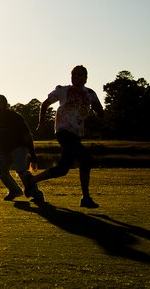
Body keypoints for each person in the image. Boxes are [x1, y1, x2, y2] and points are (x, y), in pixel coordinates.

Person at [31, 65, 104, 208]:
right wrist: (42, 123)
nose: (77, 77)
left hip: (76, 134)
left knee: (62, 169)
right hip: (63, 131)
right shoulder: (63, 90)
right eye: (74, 75)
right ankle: (86, 198)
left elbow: (100, 112)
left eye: (80, 75)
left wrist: (98, 110)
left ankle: (32, 181)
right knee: (86, 159)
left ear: (86, 78)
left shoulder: (90, 93)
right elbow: (45, 104)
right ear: (71, 77)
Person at [0, 94, 44, 203]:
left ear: (2, 104)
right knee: (0, 171)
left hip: (19, 147)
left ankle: (36, 194)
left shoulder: (15, 117)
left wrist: (33, 154)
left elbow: (27, 136)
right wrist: (0, 152)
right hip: (5, 150)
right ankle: (15, 191)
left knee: (21, 170)